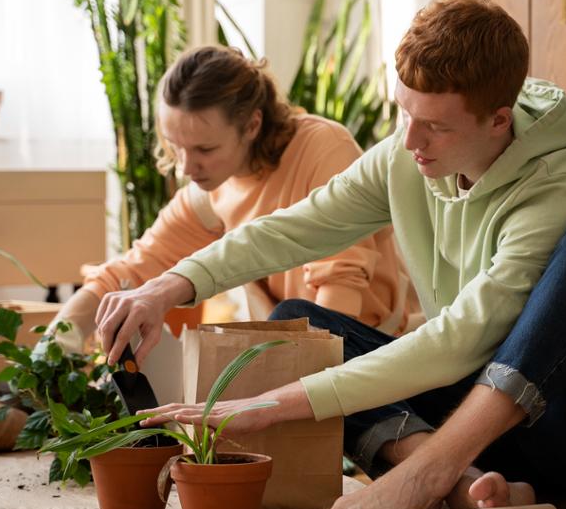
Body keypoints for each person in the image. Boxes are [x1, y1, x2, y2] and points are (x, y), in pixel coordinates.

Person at [96, 0, 566, 509]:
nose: (410, 140)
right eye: (404, 112)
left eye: (436, 127)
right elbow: (301, 226)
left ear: (499, 119)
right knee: (298, 324)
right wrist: (169, 286)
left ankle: (426, 474)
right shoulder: (408, 152)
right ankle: (468, 485)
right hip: (482, 435)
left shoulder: (558, 188)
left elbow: (461, 339)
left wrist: (275, 405)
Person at [51, 45, 416, 352]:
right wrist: (54, 345)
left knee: (287, 316)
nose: (185, 167)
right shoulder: (209, 193)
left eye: (204, 149)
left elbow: (341, 286)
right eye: (175, 147)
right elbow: (129, 273)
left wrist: (304, 386)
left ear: (252, 125)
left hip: (366, 344)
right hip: (294, 351)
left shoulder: (322, 148)